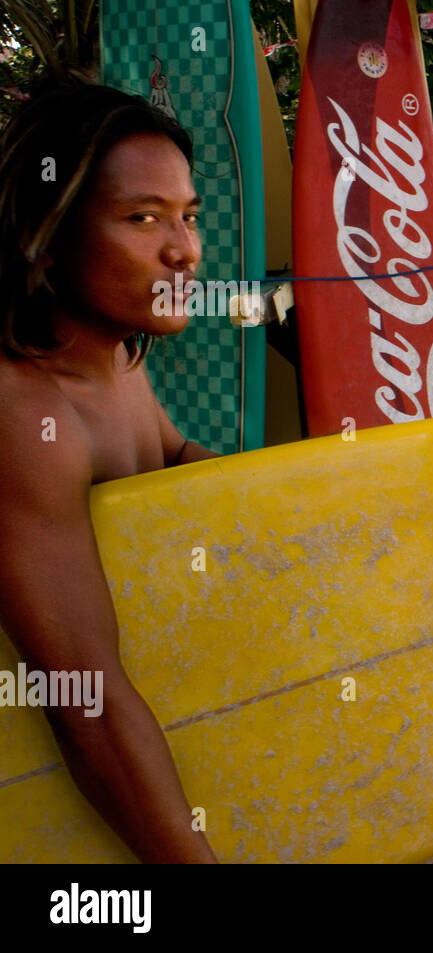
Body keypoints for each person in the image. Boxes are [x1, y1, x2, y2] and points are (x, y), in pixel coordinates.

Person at [0, 82, 221, 862]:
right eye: (142, 217)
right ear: (50, 235)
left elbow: (177, 460)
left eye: (188, 216)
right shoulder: (25, 413)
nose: (185, 249)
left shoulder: (118, 357)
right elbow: (82, 698)